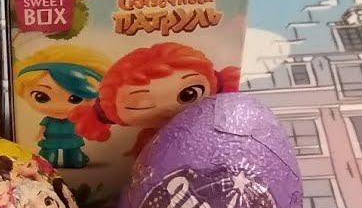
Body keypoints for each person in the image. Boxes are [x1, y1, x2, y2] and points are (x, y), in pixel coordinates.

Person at [70, 42, 239, 156]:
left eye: (188, 94)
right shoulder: (148, 140)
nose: (169, 109)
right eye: (140, 103)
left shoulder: (209, 128)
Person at [13, 45, 111, 169]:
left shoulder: (76, 119)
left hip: (71, 138)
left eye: (75, 98)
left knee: (74, 153)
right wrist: (40, 135)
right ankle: (48, 161)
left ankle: (75, 159)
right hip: (51, 139)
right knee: (48, 155)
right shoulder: (48, 120)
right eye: (41, 97)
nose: (58, 107)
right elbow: (43, 128)